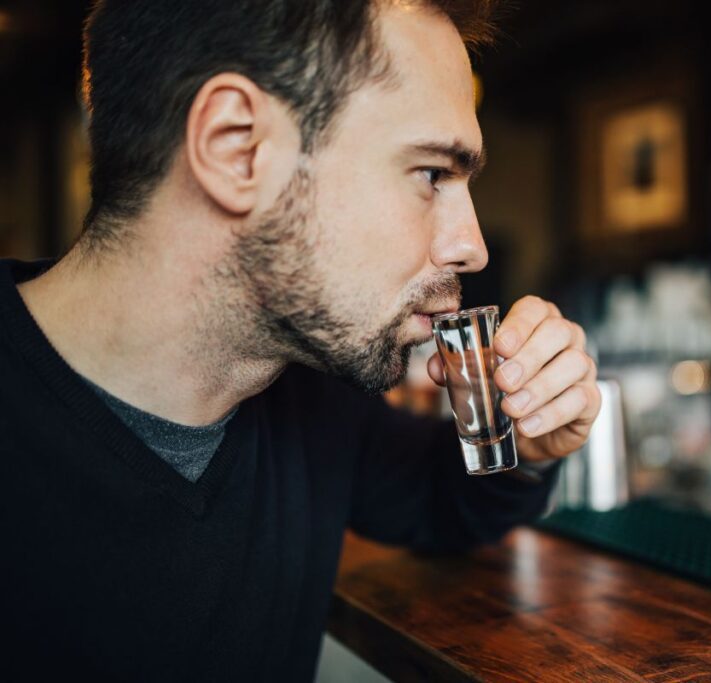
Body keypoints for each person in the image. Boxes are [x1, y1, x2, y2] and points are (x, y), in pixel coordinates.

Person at [0, 0, 601, 680]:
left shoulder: (311, 400)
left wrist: (526, 445)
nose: (474, 248)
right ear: (237, 149)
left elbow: (444, 502)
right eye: (432, 173)